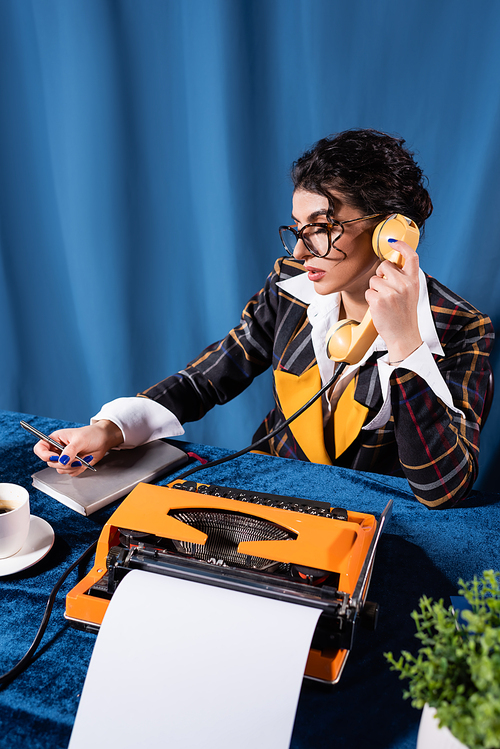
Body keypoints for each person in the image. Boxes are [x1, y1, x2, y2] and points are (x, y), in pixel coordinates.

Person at [33, 129, 494, 509]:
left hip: (372, 524)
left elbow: (442, 490)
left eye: (321, 228)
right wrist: (109, 429)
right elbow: (207, 378)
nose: (299, 251)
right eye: (298, 229)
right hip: (265, 499)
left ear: (391, 233)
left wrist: (406, 347)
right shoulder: (289, 285)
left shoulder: (461, 327)